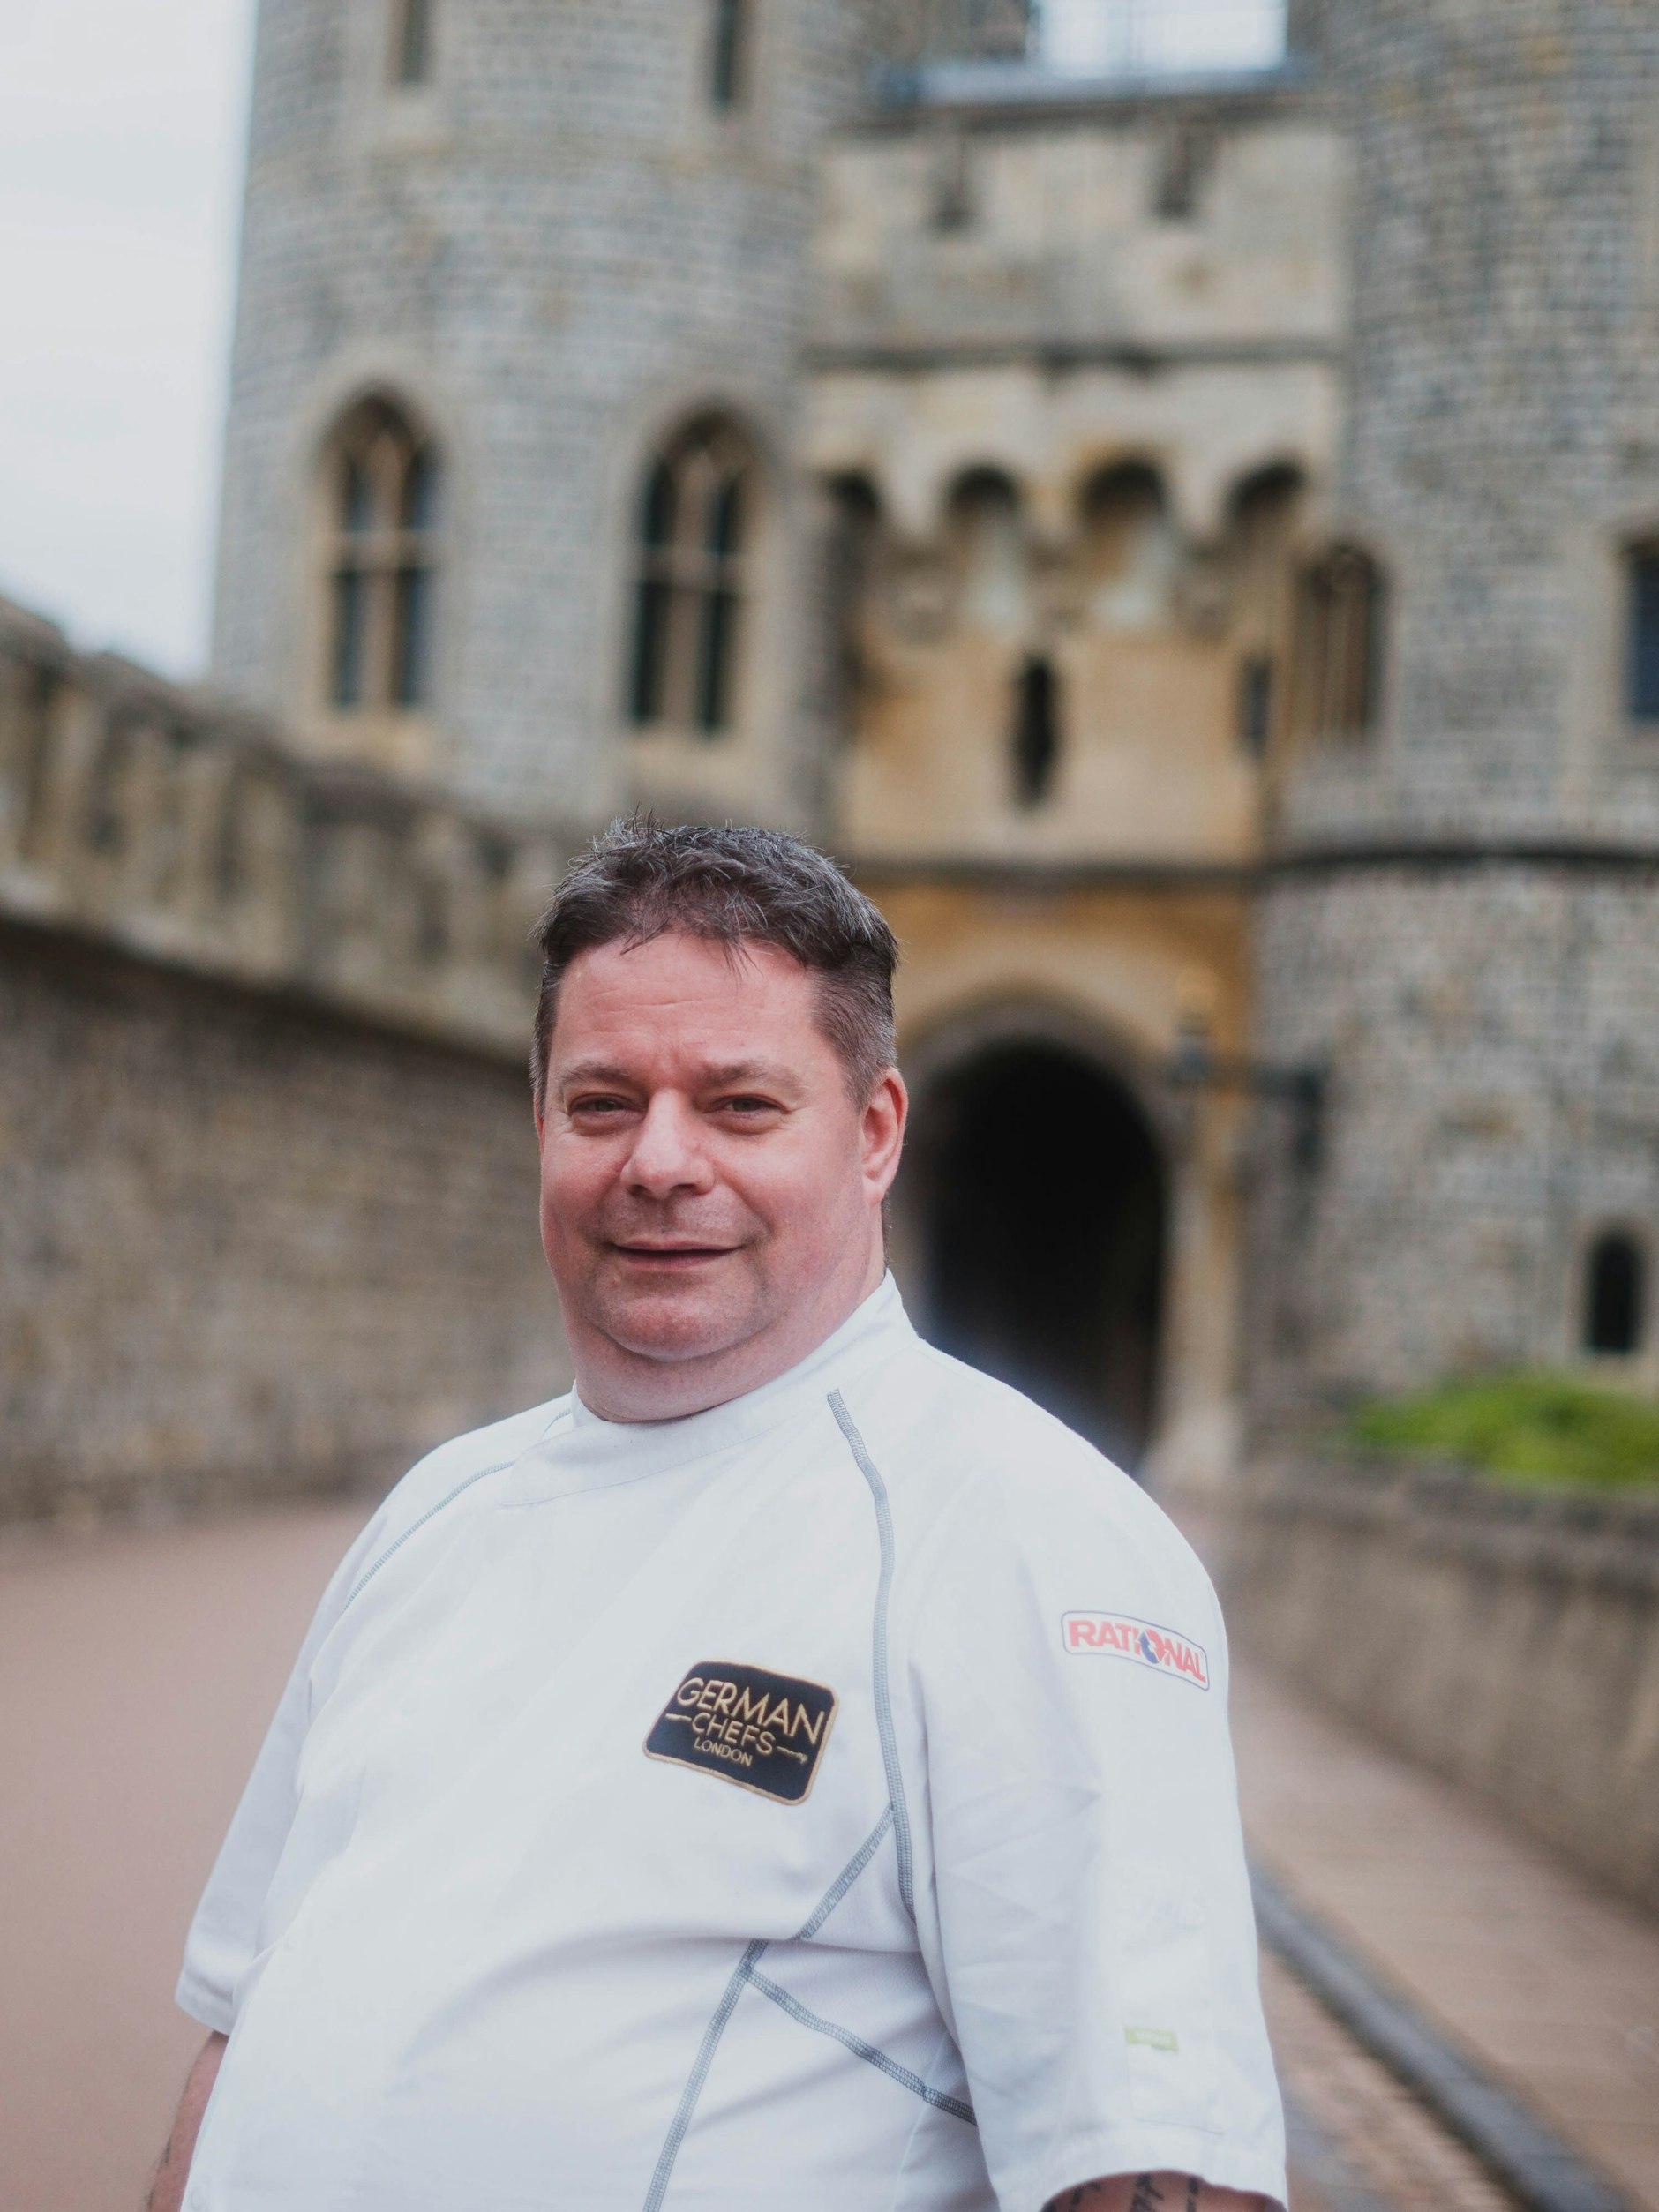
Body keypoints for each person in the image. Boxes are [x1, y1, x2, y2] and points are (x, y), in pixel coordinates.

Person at [147, 819, 1285, 2212]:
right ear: (541, 1125)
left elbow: (1150, 2158)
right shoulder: (439, 1510)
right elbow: (243, 2027)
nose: (660, 1163)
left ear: (873, 1135)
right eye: (603, 1103)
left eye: (741, 1106)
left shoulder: (1021, 1535)